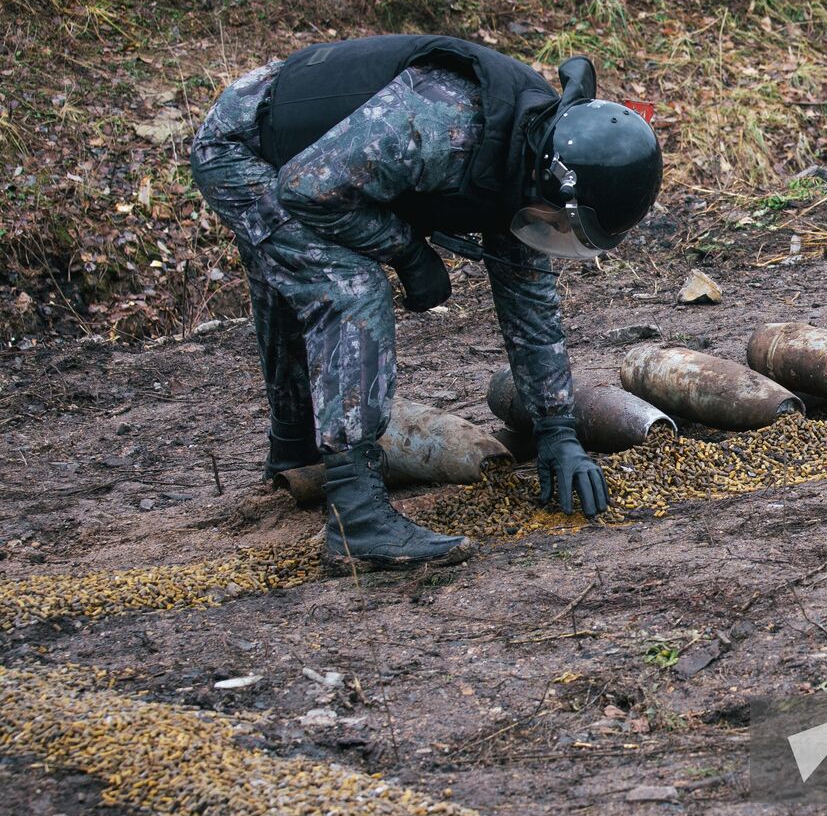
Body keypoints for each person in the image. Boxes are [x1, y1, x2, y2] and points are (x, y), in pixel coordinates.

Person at [190, 35, 663, 572]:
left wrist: (557, 429)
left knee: (301, 272)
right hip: (244, 146)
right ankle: (358, 518)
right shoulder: (443, 125)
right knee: (348, 285)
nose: (552, 231)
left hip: (319, 162)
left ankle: (298, 454)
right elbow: (304, 192)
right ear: (555, 182)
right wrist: (409, 252)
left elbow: (528, 296)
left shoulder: (526, 153)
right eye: (561, 221)